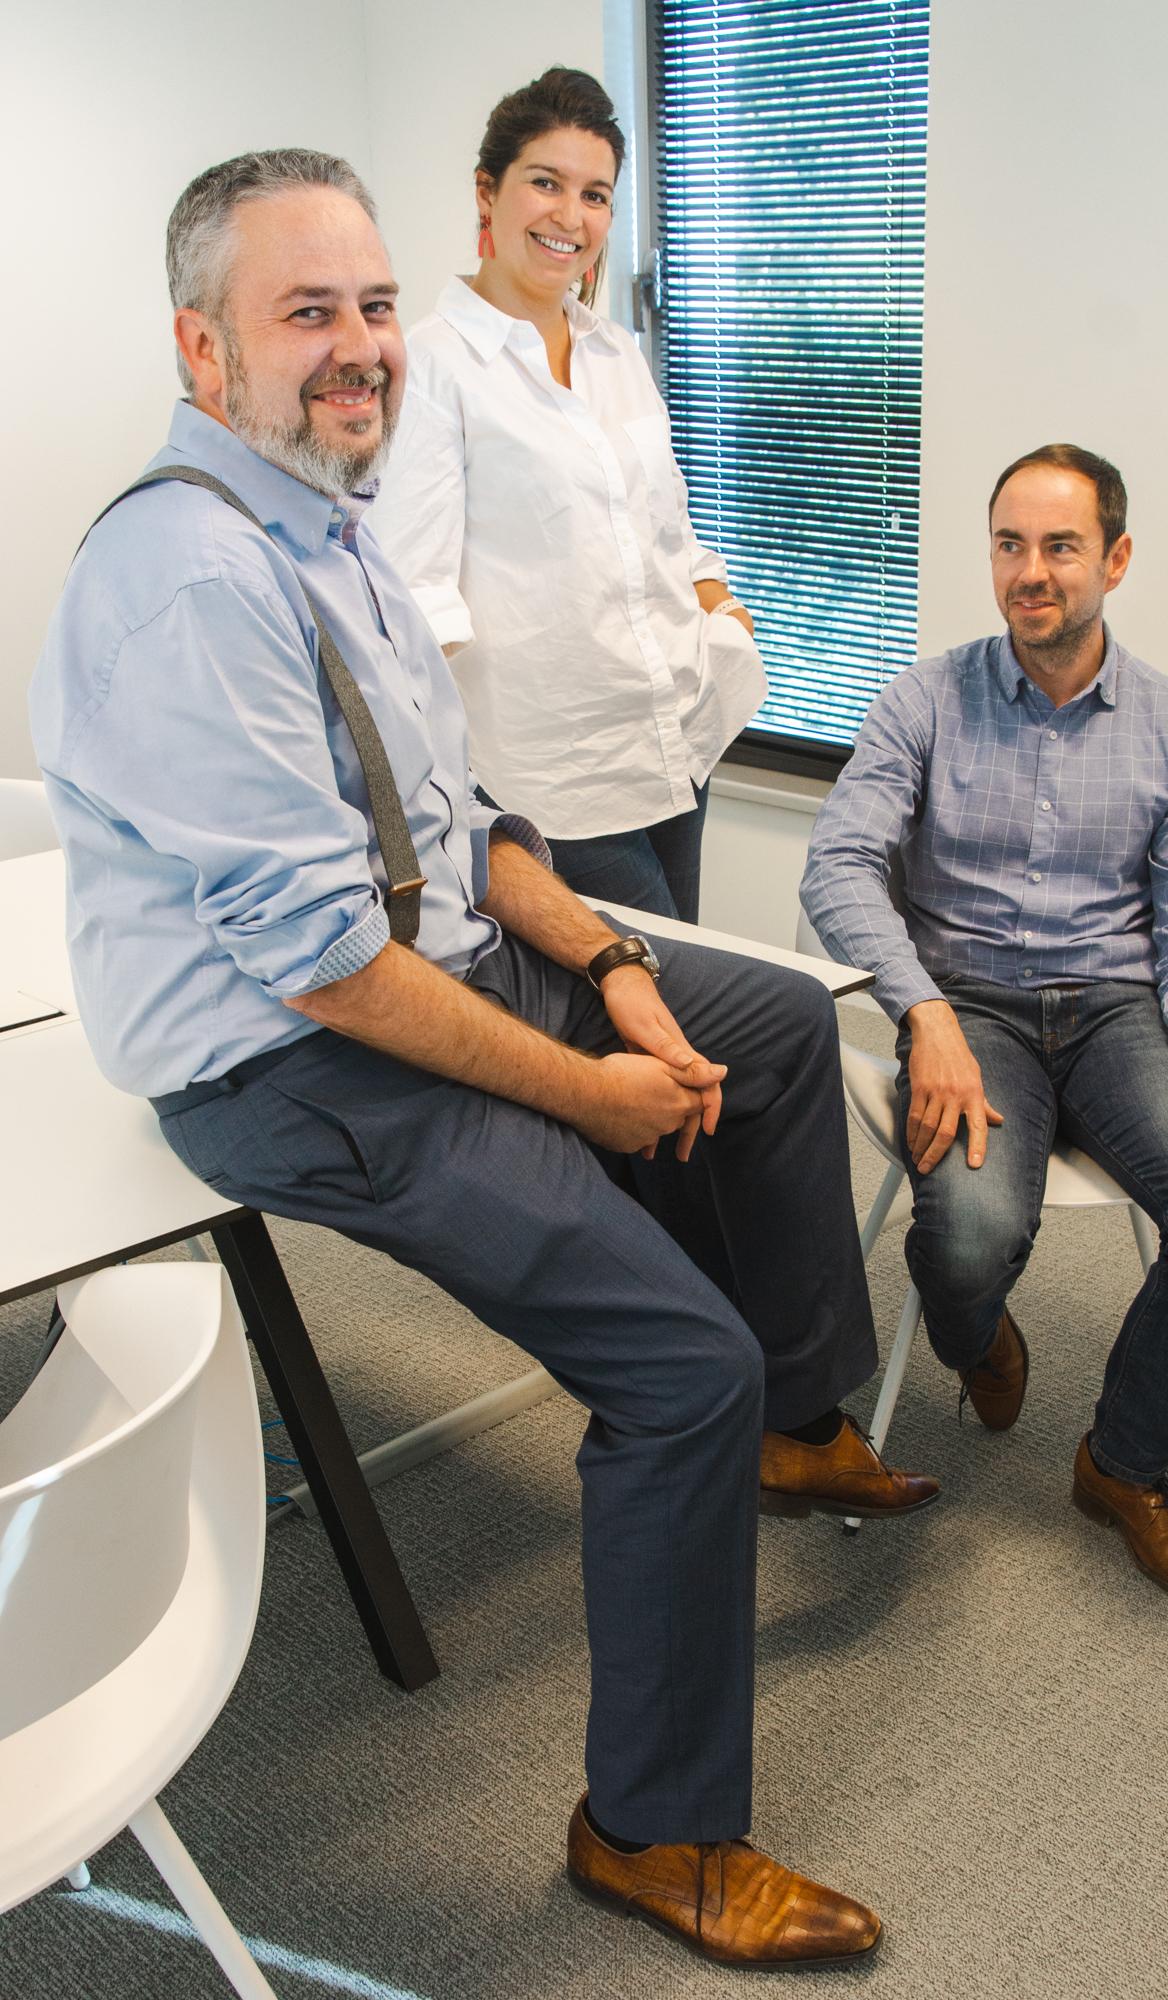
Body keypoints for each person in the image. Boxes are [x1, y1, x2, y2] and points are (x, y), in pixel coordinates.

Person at [29, 148, 939, 1972]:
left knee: (767, 1025)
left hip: (432, 963)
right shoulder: (190, 578)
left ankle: (792, 1424)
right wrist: (593, 1093)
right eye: (309, 313)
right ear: (204, 349)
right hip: (298, 1064)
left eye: (373, 306)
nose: (362, 345)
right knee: (671, 1364)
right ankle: (653, 1835)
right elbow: (327, 968)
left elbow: (464, 823)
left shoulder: (330, 520)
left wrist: (609, 964)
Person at [801, 443, 1168, 1613]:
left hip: (1118, 1011)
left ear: (1115, 559)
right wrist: (923, 1012)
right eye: (1009, 544)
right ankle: (981, 1337)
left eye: (1060, 545)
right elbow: (837, 865)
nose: (1030, 570)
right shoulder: (924, 699)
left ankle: (1122, 1466)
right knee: (966, 1241)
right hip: (968, 1007)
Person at [372, 68, 765, 924]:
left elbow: (668, 531)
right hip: (554, 778)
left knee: (685, 982)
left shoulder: (615, 352)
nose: (570, 217)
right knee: (647, 989)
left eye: (595, 195)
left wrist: (723, 615)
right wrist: (451, 798)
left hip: (673, 742)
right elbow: (414, 599)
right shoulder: (433, 367)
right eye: (545, 183)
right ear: (487, 191)